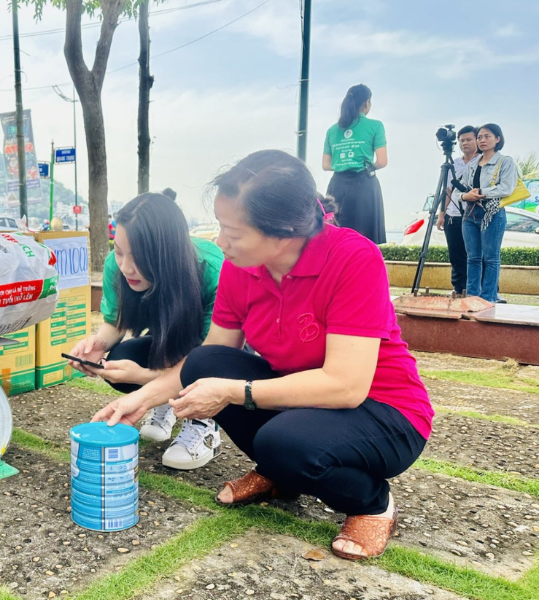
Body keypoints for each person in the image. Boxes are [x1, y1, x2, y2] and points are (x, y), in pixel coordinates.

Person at [93, 150, 433, 561]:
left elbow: (345, 386)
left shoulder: (352, 258)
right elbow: (210, 356)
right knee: (204, 364)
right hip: (302, 400)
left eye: (232, 233)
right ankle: (280, 476)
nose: (221, 243)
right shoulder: (242, 267)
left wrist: (237, 392)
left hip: (383, 412)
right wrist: (138, 400)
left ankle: (372, 503)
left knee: (283, 442)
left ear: (283, 232)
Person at [68, 193, 225, 469]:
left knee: (210, 361)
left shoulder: (211, 269)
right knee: (122, 352)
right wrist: (98, 343)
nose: (126, 266)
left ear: (167, 252)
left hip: (213, 353)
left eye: (138, 257)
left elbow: (212, 354)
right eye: (118, 251)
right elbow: (116, 321)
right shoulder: (115, 267)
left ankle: (203, 422)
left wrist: (143, 378)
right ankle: (165, 401)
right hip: (169, 345)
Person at [323, 84, 388, 244]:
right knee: (364, 239)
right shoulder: (375, 126)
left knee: (336, 237)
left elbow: (326, 164)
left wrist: (344, 163)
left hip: (336, 186)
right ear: (366, 103)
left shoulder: (332, 130)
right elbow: (382, 161)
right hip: (364, 185)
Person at [459, 123, 517, 303]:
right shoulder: (473, 163)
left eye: (487, 136)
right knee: (473, 258)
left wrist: (480, 193)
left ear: (498, 139)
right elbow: (458, 190)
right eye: (480, 137)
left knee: (491, 258)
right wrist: (465, 195)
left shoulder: (505, 161)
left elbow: (507, 188)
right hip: (470, 215)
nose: (482, 140)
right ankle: (472, 297)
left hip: (492, 214)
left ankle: (488, 299)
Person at [436, 126, 477, 295]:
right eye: (461, 140)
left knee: (476, 255)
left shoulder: (482, 161)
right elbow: (447, 190)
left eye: (468, 139)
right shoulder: (454, 164)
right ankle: (459, 288)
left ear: (476, 140)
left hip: (474, 214)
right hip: (453, 215)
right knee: (456, 255)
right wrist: (442, 214)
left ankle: (478, 289)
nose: (464, 143)